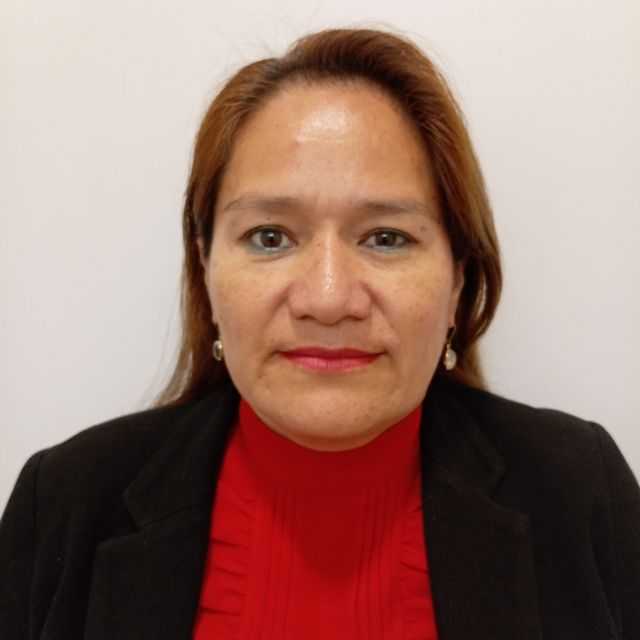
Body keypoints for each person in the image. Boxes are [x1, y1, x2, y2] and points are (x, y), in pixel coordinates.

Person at [1, 27, 639, 640]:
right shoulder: (64, 504)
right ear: (205, 267)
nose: (328, 300)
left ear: (457, 279)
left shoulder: (580, 492)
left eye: (385, 238)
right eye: (269, 237)